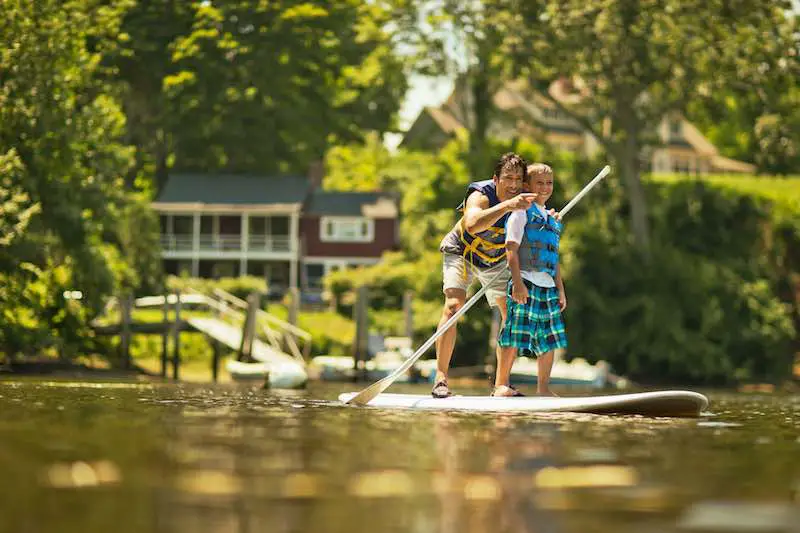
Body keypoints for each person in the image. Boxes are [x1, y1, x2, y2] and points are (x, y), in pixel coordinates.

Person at [432, 153, 537, 398]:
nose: (513, 185)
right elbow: (472, 225)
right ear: (495, 179)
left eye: (518, 179)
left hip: (495, 261)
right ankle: (440, 379)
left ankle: (501, 385)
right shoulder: (480, 194)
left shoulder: (525, 200)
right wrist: (507, 206)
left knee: (510, 314)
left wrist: (548, 220)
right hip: (462, 252)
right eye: (507, 178)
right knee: (454, 305)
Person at [495, 163, 567, 397]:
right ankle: (500, 384)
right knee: (514, 334)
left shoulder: (552, 219)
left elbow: (554, 258)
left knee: (549, 341)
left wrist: (560, 290)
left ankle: (543, 388)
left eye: (549, 183)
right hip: (525, 281)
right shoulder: (520, 212)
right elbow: (511, 250)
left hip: (548, 288)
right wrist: (517, 284)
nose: (545, 188)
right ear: (527, 186)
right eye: (539, 183)